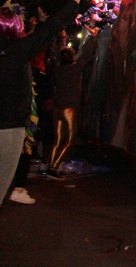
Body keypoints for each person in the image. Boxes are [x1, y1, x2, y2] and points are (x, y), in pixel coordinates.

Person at [0, 0, 88, 232]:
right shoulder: (18, 51)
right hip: (9, 130)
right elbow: (51, 29)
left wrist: (2, 11)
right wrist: (75, 0)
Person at [47, 47, 86, 176]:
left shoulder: (57, 70)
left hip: (57, 108)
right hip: (69, 108)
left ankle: (50, 165)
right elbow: (86, 57)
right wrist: (93, 38)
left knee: (57, 140)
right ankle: (54, 166)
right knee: (70, 140)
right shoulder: (74, 69)